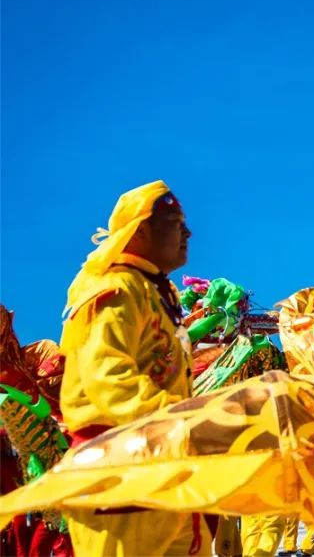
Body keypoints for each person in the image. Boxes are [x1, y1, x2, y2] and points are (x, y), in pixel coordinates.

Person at [58, 180, 211, 555]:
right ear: (139, 232)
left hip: (161, 461)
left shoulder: (158, 291)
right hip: (117, 468)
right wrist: (183, 420)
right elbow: (108, 379)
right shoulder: (116, 289)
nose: (188, 233)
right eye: (175, 223)